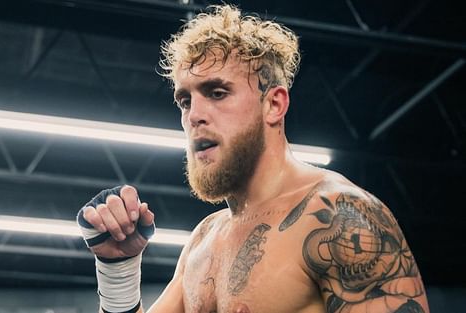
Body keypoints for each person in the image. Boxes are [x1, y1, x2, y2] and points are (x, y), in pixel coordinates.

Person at [77, 4, 430, 313]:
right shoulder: (205, 239)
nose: (195, 114)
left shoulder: (339, 218)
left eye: (217, 93)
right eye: (185, 101)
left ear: (274, 105)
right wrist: (118, 268)